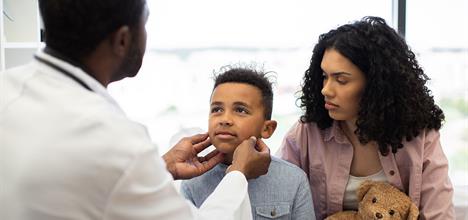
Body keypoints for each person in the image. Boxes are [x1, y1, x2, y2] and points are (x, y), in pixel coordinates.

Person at [0, 1, 272, 220]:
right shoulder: (116, 140)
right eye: (145, 22)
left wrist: (161, 168)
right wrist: (238, 173)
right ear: (122, 40)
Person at [276, 16, 454, 220]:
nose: (326, 89)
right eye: (324, 76)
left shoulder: (420, 135)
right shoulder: (307, 133)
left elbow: (439, 213)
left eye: (341, 80)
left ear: (376, 85)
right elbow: (279, 197)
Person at [180, 67, 316, 220]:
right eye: (217, 109)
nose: (225, 119)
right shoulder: (192, 184)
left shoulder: (293, 180)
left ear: (267, 128)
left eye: (240, 110)